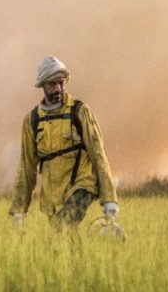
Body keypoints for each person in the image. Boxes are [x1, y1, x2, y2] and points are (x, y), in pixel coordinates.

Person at [9, 56, 119, 232]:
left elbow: (98, 155)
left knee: (63, 225)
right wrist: (19, 211)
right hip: (53, 197)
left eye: (61, 83)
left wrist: (109, 199)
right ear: (42, 85)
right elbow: (26, 166)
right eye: (52, 84)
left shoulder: (80, 112)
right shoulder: (33, 120)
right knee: (64, 243)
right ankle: (84, 260)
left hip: (83, 185)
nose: (58, 89)